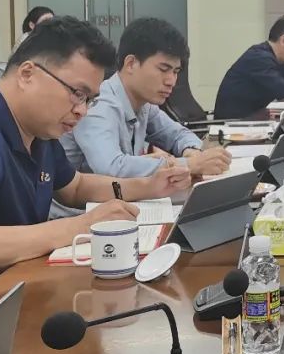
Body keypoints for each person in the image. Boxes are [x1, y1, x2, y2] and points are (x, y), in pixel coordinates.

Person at [0, 17, 192, 335]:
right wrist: (80, 226)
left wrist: (147, 186)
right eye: (77, 93)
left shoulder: (37, 130)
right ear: (27, 74)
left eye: (90, 99)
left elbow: (75, 187)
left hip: (13, 289)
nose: (82, 110)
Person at [53, 18, 231, 218]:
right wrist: (189, 165)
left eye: (176, 72)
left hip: (121, 205)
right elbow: (111, 168)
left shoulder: (144, 103)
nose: (171, 81)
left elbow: (177, 134)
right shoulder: (99, 104)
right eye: (163, 69)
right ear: (131, 63)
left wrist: (191, 151)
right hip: (77, 215)